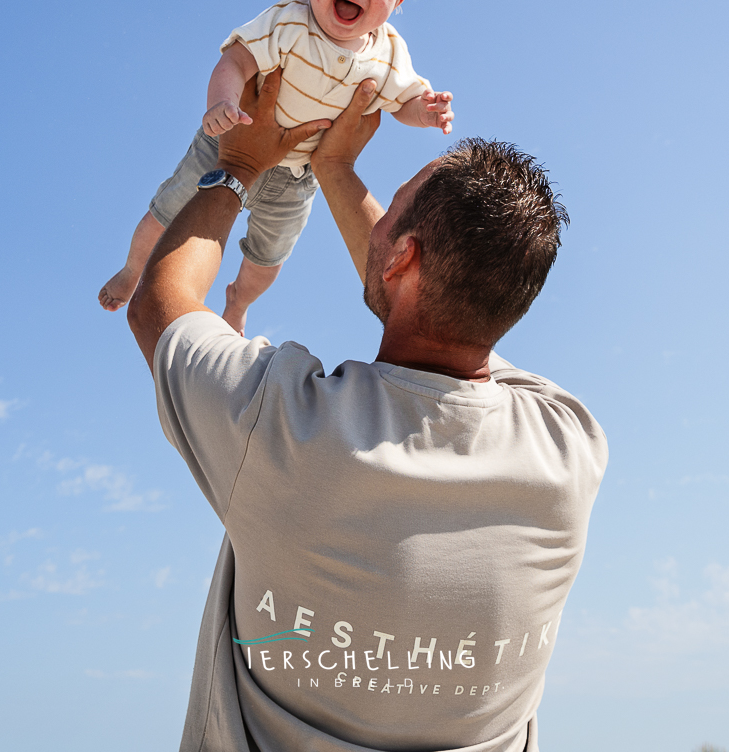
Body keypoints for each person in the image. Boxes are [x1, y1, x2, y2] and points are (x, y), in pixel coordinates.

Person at [126, 70, 607, 752]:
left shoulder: (284, 428)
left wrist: (237, 166)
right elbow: (434, 301)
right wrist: (336, 167)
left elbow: (162, 304)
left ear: (403, 255)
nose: (376, 222)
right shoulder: (569, 445)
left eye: (393, 209)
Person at [100, 0, 455, 334]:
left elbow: (403, 101)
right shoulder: (289, 21)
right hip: (230, 140)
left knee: (268, 258)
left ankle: (239, 300)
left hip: (297, 176)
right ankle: (132, 270)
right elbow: (235, 62)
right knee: (165, 213)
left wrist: (427, 111)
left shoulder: (390, 53)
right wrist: (222, 104)